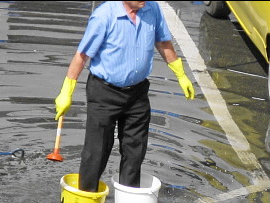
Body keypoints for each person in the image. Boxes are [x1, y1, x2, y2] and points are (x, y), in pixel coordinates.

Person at [54, 1, 195, 192]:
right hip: (104, 93)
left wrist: (181, 74)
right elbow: (82, 55)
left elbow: (162, 42)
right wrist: (66, 91)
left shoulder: (152, 9)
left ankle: (129, 202)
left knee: (135, 150)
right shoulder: (104, 16)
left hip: (137, 93)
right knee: (97, 151)